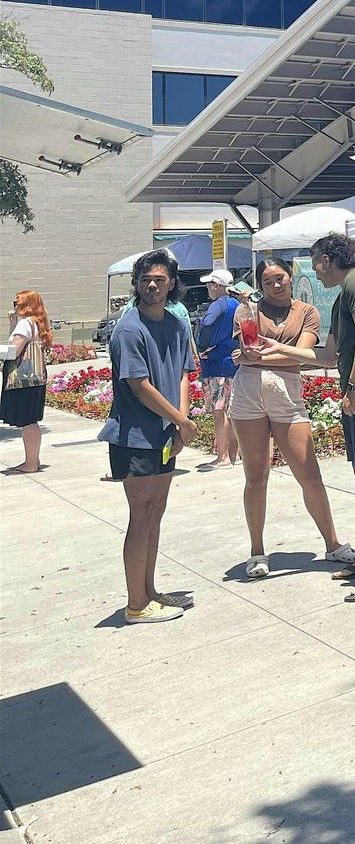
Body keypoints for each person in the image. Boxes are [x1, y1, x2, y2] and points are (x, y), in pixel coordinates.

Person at [259, 234, 355, 601]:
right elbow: (326, 356)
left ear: (327, 258)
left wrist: (353, 386)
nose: (312, 270)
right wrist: (279, 348)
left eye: (313, 261)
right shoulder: (343, 296)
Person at [229, 257, 355, 579]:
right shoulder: (248, 311)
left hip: (286, 393)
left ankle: (332, 544)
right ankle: (257, 551)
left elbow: (303, 355)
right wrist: (256, 354)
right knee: (256, 476)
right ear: (259, 284)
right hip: (247, 392)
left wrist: (259, 355)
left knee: (309, 474)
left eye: (280, 278)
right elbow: (244, 350)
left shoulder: (307, 312)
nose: (275, 285)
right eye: (268, 281)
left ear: (290, 277)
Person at [100, 250, 199, 623]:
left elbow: (182, 374)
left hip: (165, 435)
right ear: (136, 283)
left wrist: (181, 421)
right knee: (141, 516)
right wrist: (180, 421)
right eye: (145, 279)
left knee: (155, 514)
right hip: (134, 436)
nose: (152, 285)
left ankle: (150, 591)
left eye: (159, 279)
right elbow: (139, 385)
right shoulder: (129, 329)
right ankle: (136, 604)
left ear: (172, 283)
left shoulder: (176, 326)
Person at [2, 291, 52, 474]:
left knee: (27, 422)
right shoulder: (35, 323)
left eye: (18, 302)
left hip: (24, 380)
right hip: (35, 379)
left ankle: (30, 463)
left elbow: (12, 352)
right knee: (30, 421)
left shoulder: (25, 324)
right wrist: (13, 322)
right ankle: (33, 460)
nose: (15, 306)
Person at [196, 268, 240, 470]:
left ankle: (222, 457)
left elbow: (207, 323)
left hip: (215, 364)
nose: (208, 288)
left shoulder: (218, 305)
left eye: (210, 284)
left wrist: (203, 347)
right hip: (233, 362)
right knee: (231, 411)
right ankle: (234, 453)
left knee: (218, 411)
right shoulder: (237, 304)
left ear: (217, 286)